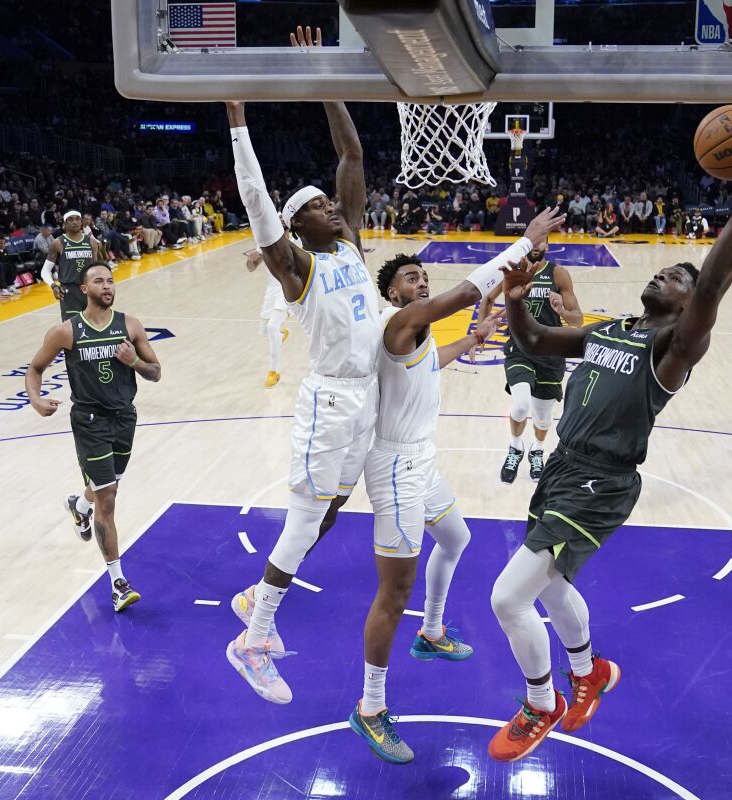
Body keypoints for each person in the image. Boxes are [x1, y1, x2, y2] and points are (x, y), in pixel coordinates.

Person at [485, 132, 732, 762]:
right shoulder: (612, 328)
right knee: (553, 585)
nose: (660, 274)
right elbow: (536, 340)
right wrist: (512, 302)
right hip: (562, 467)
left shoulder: (674, 349)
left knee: (507, 597)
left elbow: (714, 284)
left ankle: (541, 703)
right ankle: (589, 672)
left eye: (674, 277)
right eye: (662, 270)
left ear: (686, 304)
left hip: (601, 480)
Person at [350, 212, 562, 763]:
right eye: (411, 278)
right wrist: (524, 242)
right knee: (393, 592)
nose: (420, 281)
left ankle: (433, 631)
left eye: (423, 275)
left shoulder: (415, 338)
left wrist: (471, 338)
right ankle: (370, 708)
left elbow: (429, 366)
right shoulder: (398, 321)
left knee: (456, 538)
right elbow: (470, 288)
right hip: (395, 468)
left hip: (421, 460)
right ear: (392, 291)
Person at [221, 26, 381, 706]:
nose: (333, 209)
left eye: (331, 202)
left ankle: (258, 592)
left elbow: (351, 151)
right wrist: (237, 121)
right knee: (302, 519)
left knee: (334, 513)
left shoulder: (351, 246)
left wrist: (325, 77)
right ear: (297, 227)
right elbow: (257, 201)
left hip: (369, 398)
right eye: (318, 206)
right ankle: (252, 639)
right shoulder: (298, 266)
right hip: (330, 401)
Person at [25, 264, 162, 611]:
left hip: (124, 417)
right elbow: (35, 368)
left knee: (108, 485)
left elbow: (156, 373)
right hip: (89, 421)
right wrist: (36, 398)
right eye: (99, 281)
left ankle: (78, 504)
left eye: (110, 280)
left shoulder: (130, 325)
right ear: (84, 289)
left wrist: (134, 363)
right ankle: (118, 582)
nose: (107, 286)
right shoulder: (66, 331)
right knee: (109, 498)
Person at [479, 248, 583, 483]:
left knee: (543, 419)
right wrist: (480, 332)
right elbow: (487, 298)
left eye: (541, 241)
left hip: (551, 351)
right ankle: (515, 447)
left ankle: (537, 449)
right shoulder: (512, 271)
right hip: (520, 348)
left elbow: (578, 320)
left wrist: (563, 311)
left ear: (546, 243)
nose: (537, 245)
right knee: (521, 405)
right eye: (532, 240)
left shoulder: (558, 274)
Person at [246, 246, 290, 388]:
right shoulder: (264, 242)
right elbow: (250, 268)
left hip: (288, 287)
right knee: (264, 330)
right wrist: (250, 260)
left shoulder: (296, 240)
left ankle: (273, 372)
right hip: (272, 289)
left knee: (272, 327)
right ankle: (280, 335)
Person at [42, 210, 98, 320]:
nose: (75, 222)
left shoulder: (91, 241)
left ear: (81, 222)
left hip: (90, 289)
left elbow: (97, 269)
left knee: (94, 326)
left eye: (77, 219)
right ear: (64, 224)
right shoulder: (58, 243)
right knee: (72, 329)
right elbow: (45, 270)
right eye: (70, 220)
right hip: (69, 292)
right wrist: (53, 286)